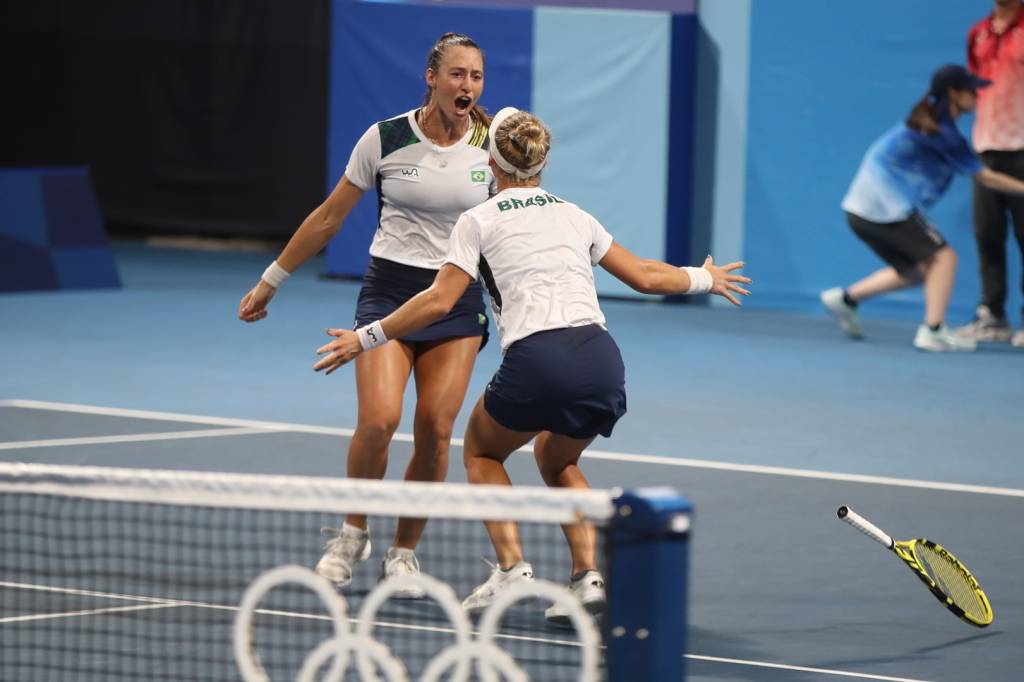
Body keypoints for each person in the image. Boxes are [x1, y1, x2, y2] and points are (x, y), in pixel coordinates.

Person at [312, 107, 750, 621]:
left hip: (536, 360)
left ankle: (511, 570)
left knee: (480, 451)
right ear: (541, 163)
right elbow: (647, 277)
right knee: (559, 460)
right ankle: (587, 577)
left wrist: (366, 337)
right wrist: (704, 279)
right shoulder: (574, 213)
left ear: (491, 162)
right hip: (601, 362)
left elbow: (437, 301)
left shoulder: (476, 220)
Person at [238, 33, 495, 598]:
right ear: (432, 78)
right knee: (379, 420)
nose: (467, 87)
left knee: (435, 429)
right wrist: (271, 279)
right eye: (456, 75)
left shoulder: (491, 142)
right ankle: (353, 532)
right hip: (389, 291)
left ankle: (404, 554)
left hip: (454, 299)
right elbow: (330, 218)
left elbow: (512, 228)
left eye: (475, 76)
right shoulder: (385, 138)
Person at [820, 64, 1024, 352]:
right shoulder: (943, 133)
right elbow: (986, 177)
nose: (978, 96)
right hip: (882, 207)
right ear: (954, 94)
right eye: (971, 90)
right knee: (944, 258)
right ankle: (933, 331)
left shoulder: (932, 122)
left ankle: (847, 299)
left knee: (918, 271)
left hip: (861, 209)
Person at [959, 0, 1024, 346]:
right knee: (988, 235)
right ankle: (993, 316)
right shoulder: (978, 33)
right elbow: (974, 90)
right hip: (985, 149)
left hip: (1023, 149)